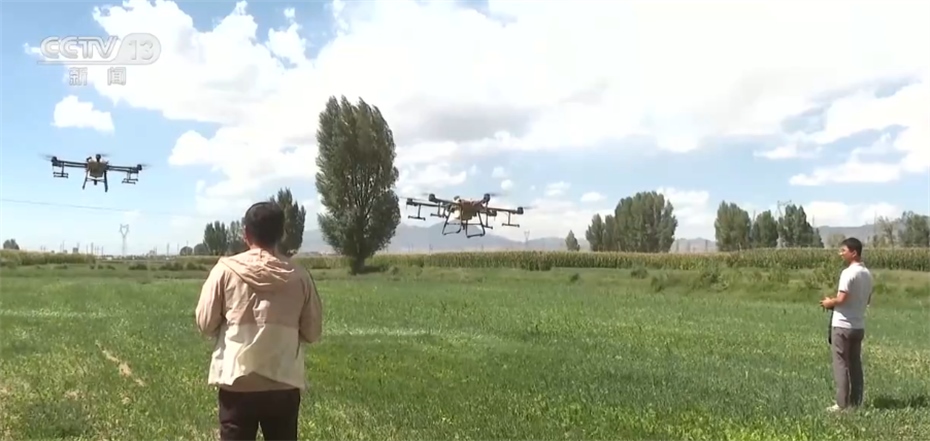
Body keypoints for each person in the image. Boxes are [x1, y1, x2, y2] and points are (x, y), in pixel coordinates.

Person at [195, 201, 323, 440]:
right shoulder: (300, 277)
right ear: (282, 234)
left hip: (237, 381)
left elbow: (205, 323)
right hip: (283, 382)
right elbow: (312, 331)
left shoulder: (224, 271)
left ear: (245, 233)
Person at [819, 237, 872, 412]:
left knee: (840, 363)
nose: (840, 253)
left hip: (842, 325)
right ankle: (856, 402)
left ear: (854, 253)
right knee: (855, 364)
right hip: (858, 326)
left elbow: (841, 299)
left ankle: (841, 404)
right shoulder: (867, 274)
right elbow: (867, 300)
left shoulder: (848, 273)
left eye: (844, 250)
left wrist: (829, 302)